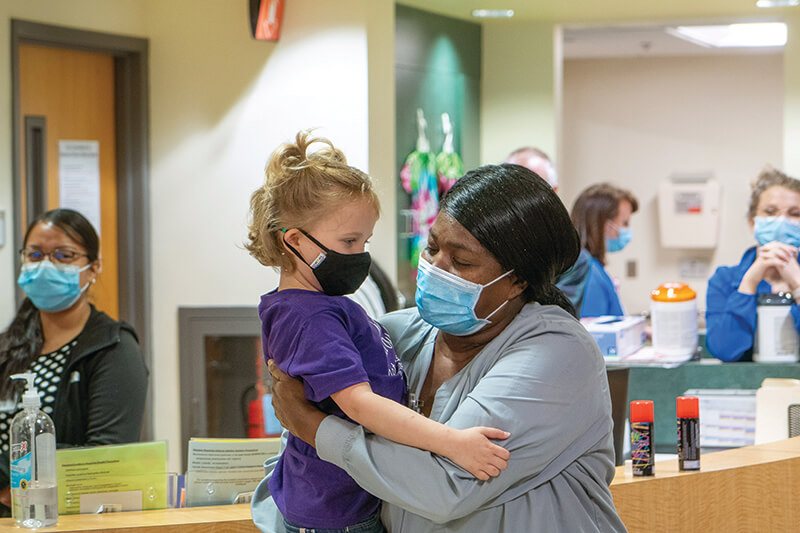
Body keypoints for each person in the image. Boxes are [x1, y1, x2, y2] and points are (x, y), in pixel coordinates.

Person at [253, 163, 627, 533]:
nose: (434, 268)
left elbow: (445, 487)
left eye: (461, 262)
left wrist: (313, 426)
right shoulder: (394, 334)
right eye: (431, 249)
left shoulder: (556, 354)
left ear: (516, 281)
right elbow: (303, 452)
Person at [245, 132, 510, 533]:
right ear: (296, 241)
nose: (361, 256)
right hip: (338, 515)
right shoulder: (307, 318)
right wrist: (452, 443)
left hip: (350, 497)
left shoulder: (326, 305)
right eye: (349, 241)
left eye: (364, 241)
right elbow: (361, 406)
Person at [0, 208, 148, 510]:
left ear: (93, 267)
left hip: (69, 518)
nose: (45, 266)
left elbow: (105, 456)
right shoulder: (8, 346)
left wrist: (12, 484)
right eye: (36, 254)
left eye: (63, 255)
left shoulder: (113, 347)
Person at [706, 168, 800, 362]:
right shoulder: (724, 280)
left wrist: (798, 284)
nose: (781, 222)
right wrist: (749, 283)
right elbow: (724, 350)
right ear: (752, 222)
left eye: (794, 213)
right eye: (770, 212)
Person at [504, 147, 592, 315]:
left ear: (553, 193)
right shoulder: (481, 241)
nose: (518, 199)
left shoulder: (570, 256)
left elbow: (557, 316)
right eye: (510, 188)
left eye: (529, 189)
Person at [571, 183, 639, 318]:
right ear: (605, 225)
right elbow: (594, 333)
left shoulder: (589, 267)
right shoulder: (585, 271)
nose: (627, 229)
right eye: (624, 223)